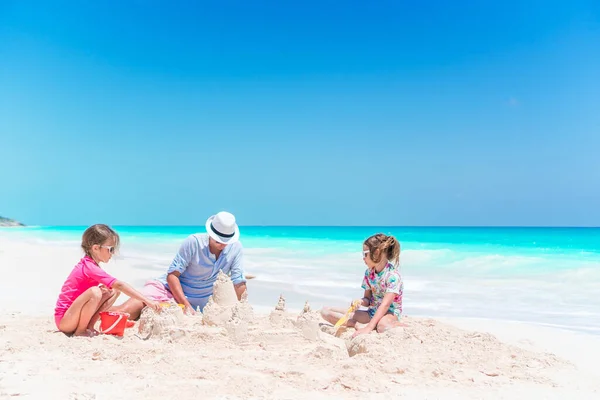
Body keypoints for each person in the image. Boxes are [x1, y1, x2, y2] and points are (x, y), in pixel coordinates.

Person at [112, 211, 247, 320]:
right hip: (167, 290)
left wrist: (240, 309)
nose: (223, 244)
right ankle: (95, 311)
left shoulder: (236, 248)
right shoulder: (193, 242)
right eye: (218, 240)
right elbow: (172, 276)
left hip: (199, 301)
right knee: (125, 312)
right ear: (210, 233)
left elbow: (238, 282)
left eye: (226, 241)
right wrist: (185, 305)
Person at [54, 224, 161, 337]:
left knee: (112, 291)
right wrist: (148, 301)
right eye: (110, 249)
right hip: (65, 321)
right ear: (95, 248)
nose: (112, 253)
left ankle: (89, 326)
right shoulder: (88, 267)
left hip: (73, 317)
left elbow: (116, 287)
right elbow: (119, 284)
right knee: (95, 292)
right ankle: (80, 331)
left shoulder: (92, 265)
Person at [320, 233, 405, 337]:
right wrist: (360, 301)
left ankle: (396, 325)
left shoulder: (392, 276)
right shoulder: (369, 273)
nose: (363, 258)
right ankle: (356, 324)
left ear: (377, 252)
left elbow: (385, 305)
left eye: (365, 254)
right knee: (326, 311)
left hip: (389, 314)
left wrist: (369, 328)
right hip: (372, 313)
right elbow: (368, 299)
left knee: (382, 326)